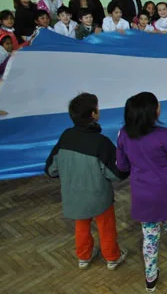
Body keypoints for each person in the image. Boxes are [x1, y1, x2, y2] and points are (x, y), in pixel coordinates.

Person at [116, 92, 167, 292]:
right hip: (165, 192)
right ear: (152, 113)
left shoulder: (123, 134)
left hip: (143, 195)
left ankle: (151, 277)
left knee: (149, 237)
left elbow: (121, 165)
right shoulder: (165, 135)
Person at [44, 93, 128, 271]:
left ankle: (84, 257)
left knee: (81, 226)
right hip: (99, 198)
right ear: (93, 114)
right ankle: (112, 257)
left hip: (73, 197)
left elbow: (51, 169)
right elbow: (117, 173)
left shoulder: (65, 137)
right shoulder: (101, 142)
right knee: (106, 228)